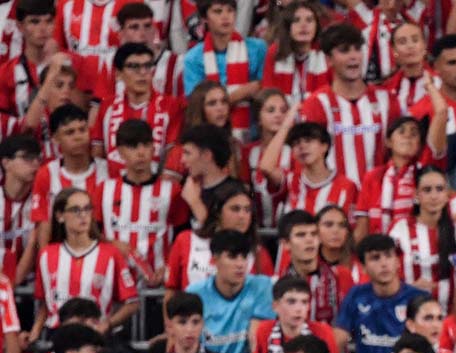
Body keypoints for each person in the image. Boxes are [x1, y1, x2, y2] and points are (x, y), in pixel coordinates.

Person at [298, 23, 401, 189]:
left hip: (377, 202)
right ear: (329, 60)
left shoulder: (387, 100)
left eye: (357, 49)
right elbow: (307, 162)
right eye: (344, 50)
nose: (354, 56)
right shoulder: (317, 104)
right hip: (334, 205)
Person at [32, 187, 139, 342]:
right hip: (58, 336)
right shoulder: (46, 255)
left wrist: (107, 324)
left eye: (87, 209)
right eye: (75, 210)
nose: (83, 215)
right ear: (60, 216)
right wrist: (34, 331)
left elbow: (132, 302)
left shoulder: (110, 254)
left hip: (97, 337)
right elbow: (46, 303)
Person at [96, 119, 187, 286]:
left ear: (154, 147)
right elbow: (91, 233)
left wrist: (169, 265)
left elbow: (183, 235)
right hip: (114, 282)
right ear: (120, 152)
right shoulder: (104, 190)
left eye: (146, 145)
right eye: (133, 147)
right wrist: (111, 243)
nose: (141, 153)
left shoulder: (172, 191)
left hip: (157, 282)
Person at [334, 233, 425, 353]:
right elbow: (337, 340)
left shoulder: (419, 299)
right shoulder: (356, 296)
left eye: (388, 256)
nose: (384, 264)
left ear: (397, 262)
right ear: (363, 267)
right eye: (375, 258)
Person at [186, 230, 277, 353]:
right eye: (232, 257)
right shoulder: (195, 294)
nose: (241, 264)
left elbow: (258, 339)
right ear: (215, 260)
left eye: (244, 257)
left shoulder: (262, 287)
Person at [389, 166, 456, 311]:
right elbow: (386, 278)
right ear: (416, 195)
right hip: (408, 319)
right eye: (427, 190)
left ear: (447, 195)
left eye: (439, 189)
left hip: (451, 320)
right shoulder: (399, 231)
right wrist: (407, 290)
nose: (434, 196)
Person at [92, 42, 181, 177]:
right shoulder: (107, 107)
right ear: (118, 74)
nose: (143, 73)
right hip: (113, 188)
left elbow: (173, 155)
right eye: (134, 66)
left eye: (147, 66)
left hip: (155, 187)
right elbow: (97, 154)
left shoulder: (171, 106)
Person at [181, 0, 266, 139]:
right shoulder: (193, 58)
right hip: (210, 135)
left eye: (230, 10)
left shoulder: (257, 48)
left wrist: (216, 100)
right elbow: (197, 105)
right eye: (218, 11)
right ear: (204, 18)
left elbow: (264, 88)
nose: (225, 17)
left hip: (254, 133)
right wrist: (243, 92)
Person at [31, 104, 108, 250]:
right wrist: (46, 260)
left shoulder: (106, 171)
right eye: (70, 132)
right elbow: (43, 225)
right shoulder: (46, 173)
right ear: (55, 139)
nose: (78, 137)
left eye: (82, 130)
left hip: (100, 253)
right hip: (59, 254)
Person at [260, 115, 359, 219]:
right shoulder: (291, 180)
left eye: (308, 140)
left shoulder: (347, 186)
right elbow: (266, 167)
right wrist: (287, 122)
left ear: (324, 146)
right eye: (296, 143)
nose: (302, 146)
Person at [273, 209, 353, 325]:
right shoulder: (276, 282)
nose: (309, 240)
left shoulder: (340, 276)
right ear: (285, 244)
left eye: (314, 234)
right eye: (301, 235)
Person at [0, 134, 38, 284]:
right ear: (6, 163)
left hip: (32, 283)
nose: (35, 163)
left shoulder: (40, 201)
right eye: (27, 157)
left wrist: (11, 284)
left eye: (37, 158)